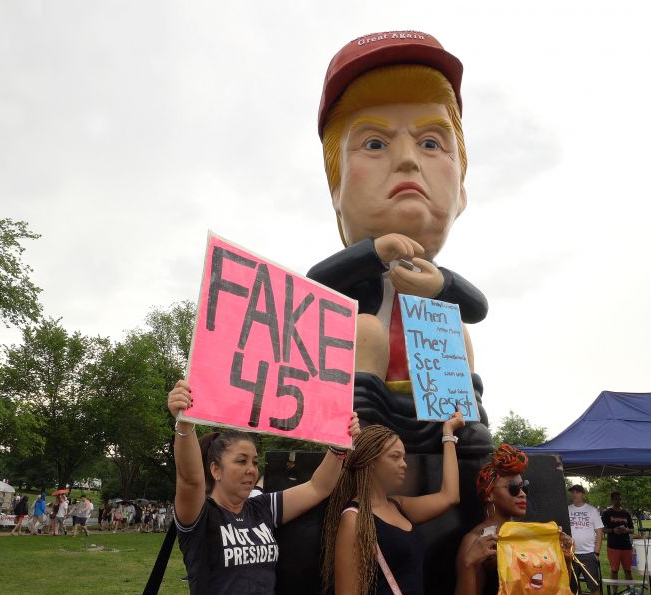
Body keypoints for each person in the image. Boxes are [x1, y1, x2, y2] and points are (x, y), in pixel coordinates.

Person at [306, 31, 492, 454]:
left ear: (461, 193)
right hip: (368, 408)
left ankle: (463, 424)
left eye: (430, 143)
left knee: (453, 331)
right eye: (375, 143)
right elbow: (315, 286)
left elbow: (478, 307)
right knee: (364, 329)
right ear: (336, 191)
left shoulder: (437, 283)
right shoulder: (356, 271)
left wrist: (440, 285)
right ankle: (359, 428)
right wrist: (373, 253)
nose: (407, 159)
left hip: (430, 412)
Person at [167, 378, 360, 594]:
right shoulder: (201, 516)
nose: (251, 469)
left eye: (255, 462)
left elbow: (318, 488)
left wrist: (338, 445)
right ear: (215, 470)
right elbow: (190, 480)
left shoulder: (262, 508)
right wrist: (184, 422)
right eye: (241, 461)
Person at [321, 412, 464, 595]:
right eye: (395, 456)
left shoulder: (398, 505)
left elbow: (450, 496)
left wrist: (448, 433)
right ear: (371, 461)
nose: (404, 464)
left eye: (403, 457)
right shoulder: (353, 519)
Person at [455, 443, 577, 595]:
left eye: (523, 487)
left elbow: (554, 587)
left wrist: (564, 559)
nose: (522, 494)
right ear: (489, 494)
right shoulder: (476, 540)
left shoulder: (526, 534)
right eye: (513, 488)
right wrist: (468, 564)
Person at [567, 485, 603, 595]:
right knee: (572, 587)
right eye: (573, 492)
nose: (574, 494)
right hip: (571, 554)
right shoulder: (567, 510)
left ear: (583, 494)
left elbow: (599, 532)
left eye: (577, 492)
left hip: (589, 554)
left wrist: (596, 553)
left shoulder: (592, 510)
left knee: (594, 587)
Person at [601, 491, 635, 582]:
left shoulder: (626, 513)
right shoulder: (607, 513)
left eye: (620, 499)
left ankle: (630, 589)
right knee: (614, 570)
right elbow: (602, 529)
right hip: (613, 546)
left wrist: (626, 530)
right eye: (616, 499)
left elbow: (632, 529)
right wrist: (613, 530)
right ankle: (615, 589)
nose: (618, 501)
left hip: (626, 546)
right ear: (612, 500)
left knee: (628, 570)